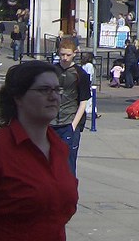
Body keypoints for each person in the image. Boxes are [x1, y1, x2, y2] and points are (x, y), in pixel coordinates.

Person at [0, 61, 78, 241]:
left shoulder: (59, 148)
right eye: (44, 90)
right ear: (18, 97)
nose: (53, 96)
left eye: (57, 90)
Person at [50, 39, 91, 176]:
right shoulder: (51, 71)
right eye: (62, 54)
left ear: (74, 53)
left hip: (69, 122)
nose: (65, 58)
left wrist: (73, 125)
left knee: (68, 164)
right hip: (50, 123)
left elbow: (83, 101)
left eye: (68, 55)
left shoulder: (80, 74)